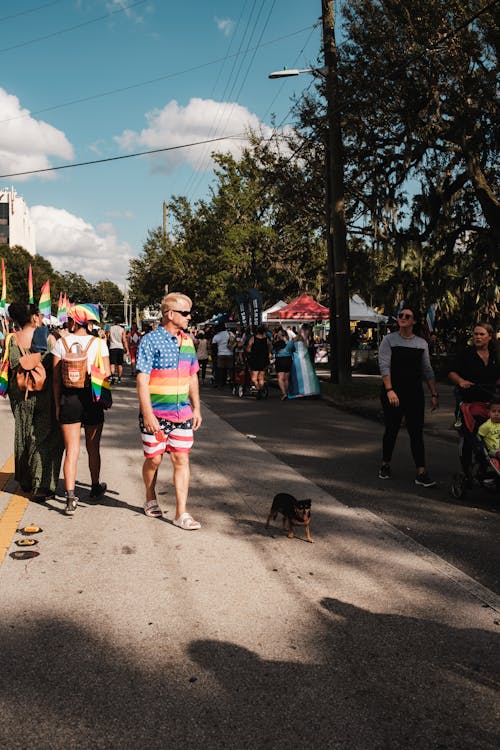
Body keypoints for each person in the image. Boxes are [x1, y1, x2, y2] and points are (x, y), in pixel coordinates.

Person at [136, 292, 202, 530]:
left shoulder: (188, 341)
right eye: (185, 313)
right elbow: (142, 380)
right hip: (156, 413)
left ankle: (181, 513)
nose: (189, 317)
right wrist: (148, 414)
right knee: (154, 459)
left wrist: (196, 408)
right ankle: (150, 496)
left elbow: (192, 375)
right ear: (170, 314)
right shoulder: (150, 341)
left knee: (181, 458)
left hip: (182, 413)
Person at [52, 304, 110, 515]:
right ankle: (94, 488)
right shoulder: (99, 343)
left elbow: (57, 380)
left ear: (74, 321)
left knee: (71, 450)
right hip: (91, 398)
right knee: (93, 447)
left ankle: (69, 497)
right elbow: (107, 372)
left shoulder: (61, 342)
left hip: (69, 399)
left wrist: (58, 405)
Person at [6, 302, 63, 502]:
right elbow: (55, 365)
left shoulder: (11, 339)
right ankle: (42, 483)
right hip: (44, 393)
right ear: (33, 317)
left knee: (23, 433)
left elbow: (10, 364)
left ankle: (25, 479)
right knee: (45, 436)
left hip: (20, 393)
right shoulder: (47, 337)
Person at [378, 306, 438, 487]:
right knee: (392, 429)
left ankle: (421, 472)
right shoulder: (388, 340)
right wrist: (389, 390)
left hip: (414, 393)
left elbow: (427, 369)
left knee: (416, 432)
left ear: (414, 321)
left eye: (407, 316)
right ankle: (385, 464)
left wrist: (434, 393)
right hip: (393, 392)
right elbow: (384, 365)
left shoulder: (421, 343)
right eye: (401, 315)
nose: (403, 318)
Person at [448, 322, 499, 404]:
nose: (478, 337)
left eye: (482, 334)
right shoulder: (465, 353)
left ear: (489, 336)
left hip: (491, 402)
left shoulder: (495, 355)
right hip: (468, 400)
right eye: (476, 334)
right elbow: (451, 372)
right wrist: (461, 381)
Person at [246, 325, 272, 397]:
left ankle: (258, 389)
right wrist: (269, 353)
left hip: (255, 359)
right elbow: (269, 347)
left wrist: (249, 351)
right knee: (261, 377)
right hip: (264, 359)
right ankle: (261, 389)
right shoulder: (266, 339)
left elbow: (248, 348)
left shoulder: (253, 338)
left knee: (254, 378)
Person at [273, 328, 295, 400]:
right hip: (288, 359)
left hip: (280, 360)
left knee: (280, 378)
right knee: (286, 378)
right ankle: (287, 392)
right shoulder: (290, 342)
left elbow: (273, 351)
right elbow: (293, 350)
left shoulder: (277, 343)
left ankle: (284, 393)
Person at [108, 317, 129, 384]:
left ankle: (113, 376)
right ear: (120, 322)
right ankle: (119, 379)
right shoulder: (122, 330)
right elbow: (124, 340)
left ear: (114, 321)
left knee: (112, 363)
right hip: (120, 348)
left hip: (112, 347)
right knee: (120, 364)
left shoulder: (110, 328)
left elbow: (108, 337)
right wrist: (127, 349)